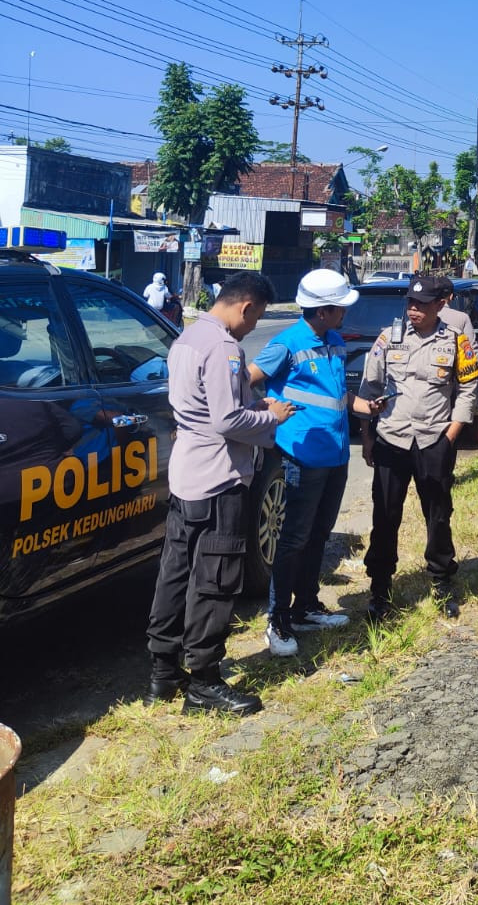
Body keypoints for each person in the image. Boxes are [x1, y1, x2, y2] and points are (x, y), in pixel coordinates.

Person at [145, 271, 294, 715]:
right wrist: (272, 418)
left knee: (175, 573)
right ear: (247, 307)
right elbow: (227, 421)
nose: (253, 326)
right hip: (218, 478)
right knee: (216, 578)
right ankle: (204, 682)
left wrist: (253, 408)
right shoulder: (225, 346)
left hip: (187, 474)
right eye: (258, 317)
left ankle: (163, 674)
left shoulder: (186, 339)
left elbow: (203, 408)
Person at [354, 273, 478, 621]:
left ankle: (442, 583)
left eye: (421, 305)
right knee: (385, 517)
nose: (413, 310)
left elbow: (470, 388)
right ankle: (380, 590)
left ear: (440, 305)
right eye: (410, 303)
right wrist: (367, 437)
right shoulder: (387, 338)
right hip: (392, 439)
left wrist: (452, 433)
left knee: (438, 516)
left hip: (433, 440)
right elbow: (369, 389)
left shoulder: (456, 340)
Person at [247, 268, 359, 658]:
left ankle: (306, 607)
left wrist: (365, 407)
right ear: (324, 311)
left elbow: (335, 397)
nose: (345, 313)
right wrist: (263, 411)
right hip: (300, 455)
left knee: (318, 534)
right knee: (293, 538)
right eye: (340, 308)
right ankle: (277, 620)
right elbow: (247, 379)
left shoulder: (335, 341)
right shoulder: (287, 343)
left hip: (335, 454)